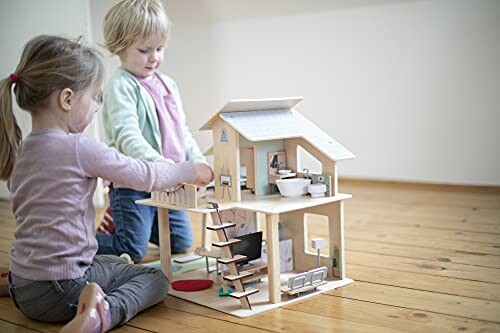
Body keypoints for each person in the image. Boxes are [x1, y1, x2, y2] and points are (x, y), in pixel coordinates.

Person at [0, 35, 213, 332]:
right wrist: (191, 170)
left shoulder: (23, 149)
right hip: (62, 292)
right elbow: (145, 175)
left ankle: (14, 279)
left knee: (113, 259)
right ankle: (103, 314)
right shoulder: (78, 147)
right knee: (156, 279)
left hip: (22, 288)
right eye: (95, 97)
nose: (97, 107)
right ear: (67, 99)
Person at [95, 0, 207, 262]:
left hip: (168, 182)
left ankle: (130, 222)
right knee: (132, 249)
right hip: (133, 181)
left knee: (180, 243)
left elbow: (182, 131)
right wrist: (160, 164)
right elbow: (127, 137)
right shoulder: (120, 86)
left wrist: (197, 161)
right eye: (145, 50)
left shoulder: (168, 84)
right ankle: (77, 241)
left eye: (159, 48)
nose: (154, 57)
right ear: (120, 46)